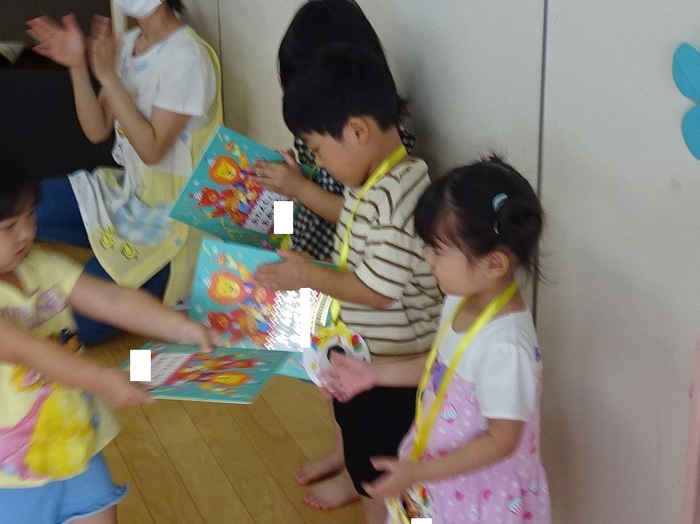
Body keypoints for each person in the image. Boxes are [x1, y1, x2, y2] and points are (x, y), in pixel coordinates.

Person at [253, 44, 442, 523]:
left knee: (382, 475)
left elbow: (378, 291)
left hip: (393, 373)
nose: (318, 162)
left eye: (318, 150)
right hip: (365, 358)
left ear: (357, 130)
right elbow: (352, 221)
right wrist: (299, 192)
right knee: (364, 461)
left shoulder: (401, 197)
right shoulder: (375, 182)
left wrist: (306, 275)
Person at [323, 157, 551, 523]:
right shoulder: (461, 299)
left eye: (437, 250)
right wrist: (374, 374)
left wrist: (417, 472)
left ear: (494, 263)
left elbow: (502, 441)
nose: (427, 259)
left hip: (481, 495)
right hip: (441, 475)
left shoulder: (506, 348)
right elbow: (440, 367)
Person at [0, 147, 220, 524]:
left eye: (31, 216)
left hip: (78, 442)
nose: (27, 232)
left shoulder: (39, 264)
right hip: (12, 477)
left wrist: (181, 326)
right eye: (8, 226)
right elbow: (28, 350)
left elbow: (110, 299)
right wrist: (102, 380)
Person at [25, 0, 222, 345]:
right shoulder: (128, 43)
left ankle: (157, 300)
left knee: (80, 317)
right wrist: (77, 66)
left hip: (172, 222)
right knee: (26, 205)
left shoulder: (188, 57)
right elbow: (96, 129)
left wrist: (108, 76)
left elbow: (152, 149)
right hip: (126, 193)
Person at [253, 0, 415, 262]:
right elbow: (294, 215)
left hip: (331, 266)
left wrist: (300, 188)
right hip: (300, 252)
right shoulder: (317, 136)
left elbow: (359, 216)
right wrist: (282, 196)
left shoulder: (381, 152)